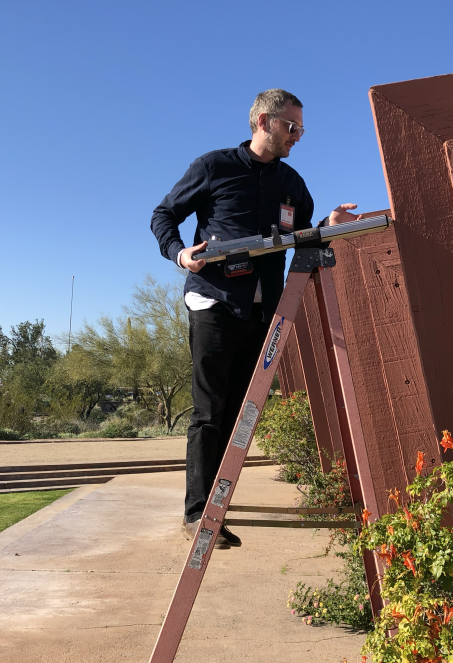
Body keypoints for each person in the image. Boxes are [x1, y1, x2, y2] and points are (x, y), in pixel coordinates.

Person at [151, 88, 359, 548]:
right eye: (292, 127)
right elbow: (163, 214)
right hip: (215, 302)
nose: (298, 137)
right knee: (210, 411)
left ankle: (215, 511)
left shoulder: (292, 184)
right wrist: (180, 254)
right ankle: (195, 515)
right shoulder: (214, 167)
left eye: (301, 129)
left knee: (242, 414)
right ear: (264, 122)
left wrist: (328, 224)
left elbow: (304, 240)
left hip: (265, 311)